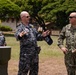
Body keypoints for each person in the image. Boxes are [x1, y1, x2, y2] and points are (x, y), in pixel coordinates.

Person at [15, 11, 51, 75]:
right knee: (23, 72)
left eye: (29, 16)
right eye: (27, 16)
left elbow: (37, 37)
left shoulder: (32, 27)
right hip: (25, 55)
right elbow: (17, 37)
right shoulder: (20, 27)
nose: (29, 18)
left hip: (34, 54)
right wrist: (20, 35)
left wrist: (43, 35)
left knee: (34, 72)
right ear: (22, 17)